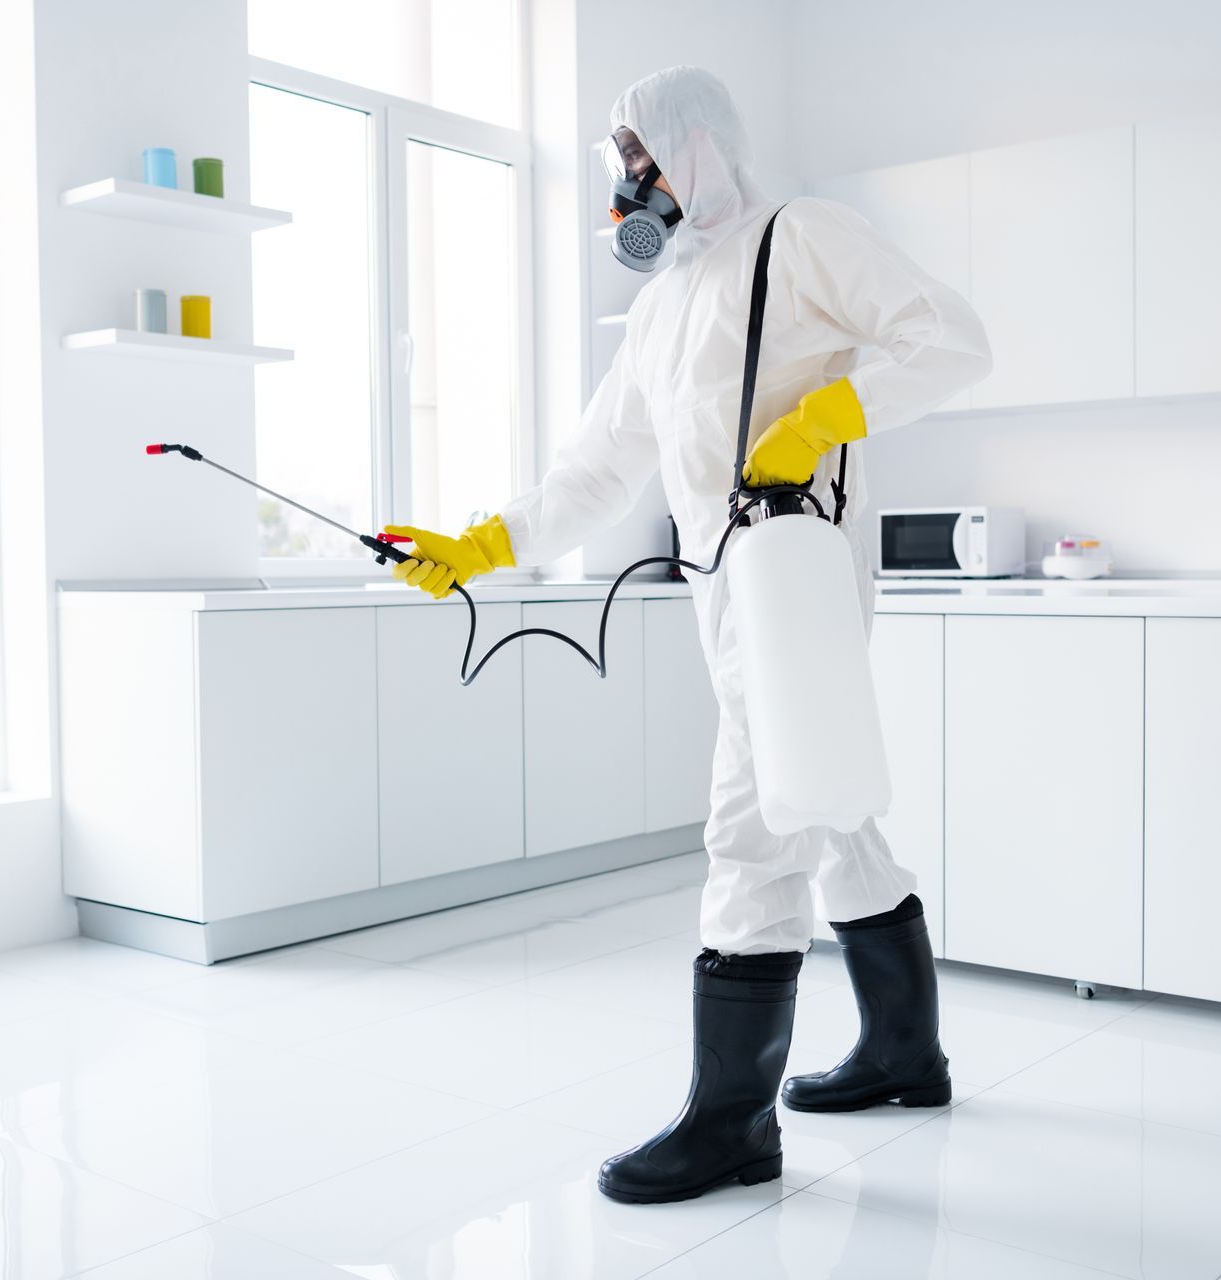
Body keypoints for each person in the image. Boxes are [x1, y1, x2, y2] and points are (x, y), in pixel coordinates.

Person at [384, 65, 992, 1204]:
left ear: (697, 146)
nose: (629, 183)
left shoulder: (801, 237)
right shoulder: (661, 303)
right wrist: (472, 547)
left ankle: (731, 1122)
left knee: (750, 822)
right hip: (722, 585)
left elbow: (952, 338)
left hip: (798, 568)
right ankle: (908, 1054)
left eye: (641, 157)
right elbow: (592, 472)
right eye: (620, 164)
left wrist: (823, 417)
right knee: (827, 807)